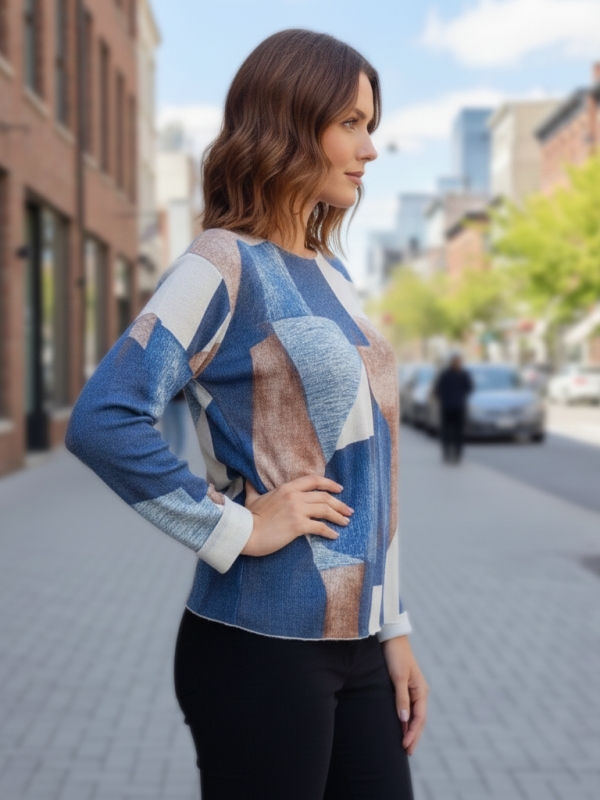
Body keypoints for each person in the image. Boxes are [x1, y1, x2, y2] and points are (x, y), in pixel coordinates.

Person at [65, 29, 428, 800]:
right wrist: (238, 526)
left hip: (359, 644)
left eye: (373, 126)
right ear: (294, 124)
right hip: (260, 645)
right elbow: (104, 417)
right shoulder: (222, 260)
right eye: (352, 124)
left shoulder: (332, 271)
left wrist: (393, 627)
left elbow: (373, 469)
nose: (369, 149)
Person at [433, 353, 474, 464]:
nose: (457, 364)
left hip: (459, 407)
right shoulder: (445, 375)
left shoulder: (464, 375)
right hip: (447, 407)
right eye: (455, 361)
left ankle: (457, 454)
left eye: (459, 362)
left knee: (458, 432)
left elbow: (469, 388)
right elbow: (438, 390)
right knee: (446, 432)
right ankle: (446, 453)